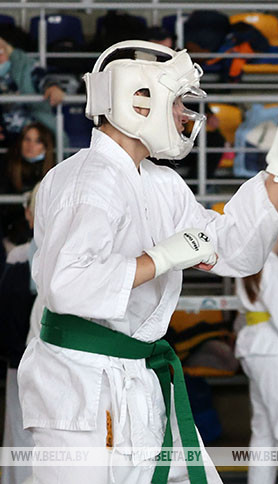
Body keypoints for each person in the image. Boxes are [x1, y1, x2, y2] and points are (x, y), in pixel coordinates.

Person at [16, 40, 278, 484]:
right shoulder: (83, 181)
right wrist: (162, 257)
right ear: (138, 100)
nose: (185, 116)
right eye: (179, 102)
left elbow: (232, 246)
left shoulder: (162, 184)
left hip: (141, 377)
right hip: (81, 386)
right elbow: (67, 284)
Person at [235, 235, 278, 484]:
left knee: (263, 429)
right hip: (272, 347)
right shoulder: (272, 265)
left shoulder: (250, 262)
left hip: (254, 347)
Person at [0, 185, 38, 484]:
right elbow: (8, 321)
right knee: (22, 445)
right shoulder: (20, 259)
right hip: (23, 365)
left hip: (66, 366)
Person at [1, 122, 55, 255]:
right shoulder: (6, 166)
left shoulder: (55, 171)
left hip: (44, 237)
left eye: (37, 141)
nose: (31, 146)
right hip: (12, 235)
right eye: (27, 139)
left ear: (45, 146)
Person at [0, 35, 64, 146]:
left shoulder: (25, 66)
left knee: (35, 137)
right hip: (5, 133)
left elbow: (43, 77)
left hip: (31, 125)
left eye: (1, 52)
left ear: (8, 51)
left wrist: (52, 86)